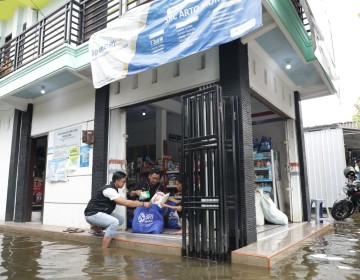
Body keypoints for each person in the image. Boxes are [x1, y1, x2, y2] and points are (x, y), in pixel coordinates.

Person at [84, 170, 151, 248]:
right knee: (114, 222)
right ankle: (104, 249)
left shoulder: (112, 188)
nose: (124, 183)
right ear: (117, 181)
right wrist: (142, 204)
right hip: (92, 214)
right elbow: (124, 202)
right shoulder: (110, 190)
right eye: (123, 181)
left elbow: (120, 201)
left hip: (100, 212)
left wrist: (134, 202)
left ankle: (95, 229)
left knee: (120, 219)